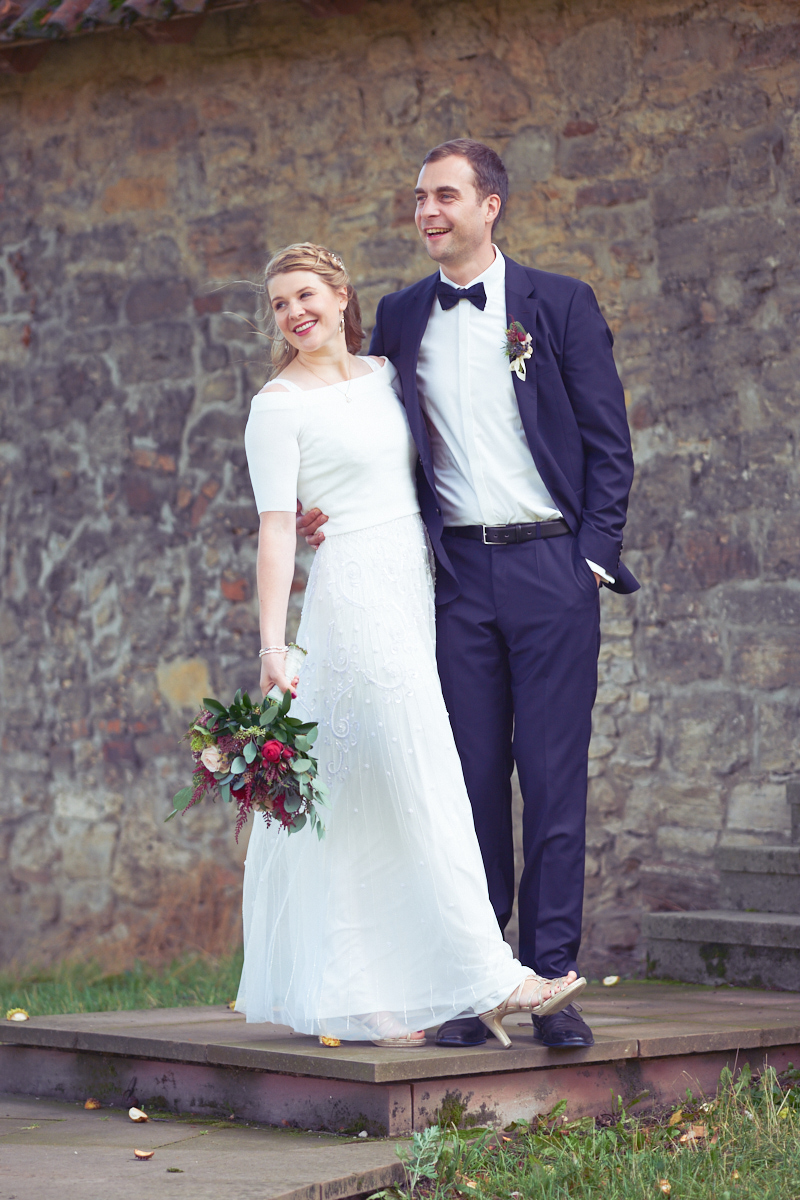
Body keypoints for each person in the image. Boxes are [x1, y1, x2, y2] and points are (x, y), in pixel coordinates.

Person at [298, 141, 638, 1050]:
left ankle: (553, 984)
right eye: (419, 198)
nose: (427, 211)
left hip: (552, 568)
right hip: (453, 580)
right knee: (466, 783)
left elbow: (609, 442)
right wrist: (321, 503)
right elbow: (365, 429)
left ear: (491, 206)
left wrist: (592, 559)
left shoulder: (559, 303)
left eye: (445, 195)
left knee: (554, 782)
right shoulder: (401, 314)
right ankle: (475, 983)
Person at [235, 242, 585, 1048]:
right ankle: (497, 978)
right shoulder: (276, 406)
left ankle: (371, 993)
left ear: (341, 295)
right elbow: (276, 527)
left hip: (419, 588)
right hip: (355, 596)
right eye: (280, 304)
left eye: (306, 295)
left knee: (371, 796)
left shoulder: (386, 375)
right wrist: (272, 647)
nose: (294, 313)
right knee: (425, 776)